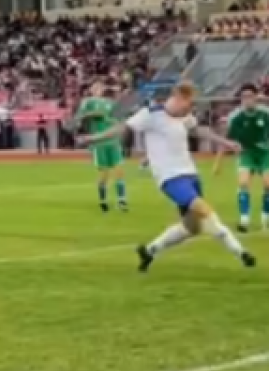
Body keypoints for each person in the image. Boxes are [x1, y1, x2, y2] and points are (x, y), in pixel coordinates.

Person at [77, 81, 256, 272]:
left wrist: (226, 142)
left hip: (190, 174)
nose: (190, 108)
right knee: (204, 210)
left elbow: (198, 130)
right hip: (170, 178)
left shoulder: (184, 115)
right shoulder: (151, 115)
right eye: (188, 103)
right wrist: (93, 138)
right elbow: (123, 128)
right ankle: (241, 253)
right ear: (177, 98)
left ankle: (149, 250)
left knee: (191, 228)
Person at [214, 84, 269, 232]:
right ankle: (244, 219)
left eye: (250, 96)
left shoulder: (265, 113)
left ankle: (266, 216)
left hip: (264, 153)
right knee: (243, 183)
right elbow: (226, 140)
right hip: (246, 153)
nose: (247, 100)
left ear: (256, 97)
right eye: (244, 97)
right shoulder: (236, 117)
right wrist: (218, 162)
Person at [75, 80, 128, 212]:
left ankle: (122, 201)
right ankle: (103, 201)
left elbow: (119, 120)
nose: (98, 88)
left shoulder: (111, 103)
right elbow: (80, 117)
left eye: (100, 86)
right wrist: (93, 115)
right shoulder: (88, 102)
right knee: (104, 174)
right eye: (95, 86)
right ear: (91, 90)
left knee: (119, 172)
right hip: (99, 143)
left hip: (113, 141)